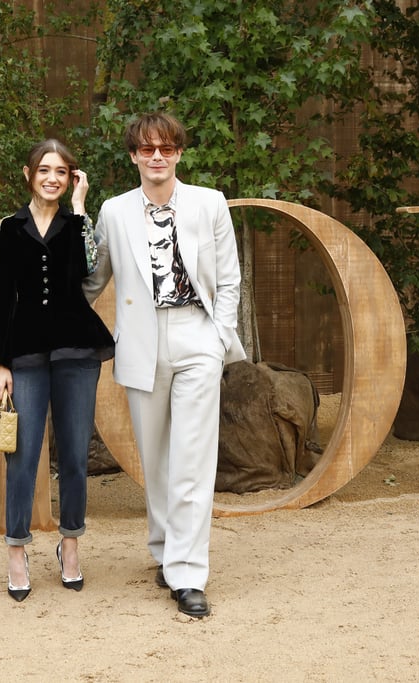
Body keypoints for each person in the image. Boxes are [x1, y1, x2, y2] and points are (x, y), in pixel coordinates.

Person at [83, 112, 245, 617]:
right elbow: (92, 282)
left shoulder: (209, 203)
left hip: (197, 334)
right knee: (154, 459)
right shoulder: (112, 211)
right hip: (140, 339)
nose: (158, 157)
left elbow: (229, 278)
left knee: (193, 459)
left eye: (167, 148)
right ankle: (164, 549)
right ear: (133, 155)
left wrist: (218, 339)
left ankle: (188, 573)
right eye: (148, 149)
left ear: (179, 153)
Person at [0, 139, 114, 602]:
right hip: (24, 354)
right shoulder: (10, 227)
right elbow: (4, 297)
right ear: (29, 174)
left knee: (76, 456)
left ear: (71, 178)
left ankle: (71, 545)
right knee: (21, 456)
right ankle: (17, 551)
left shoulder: (74, 223)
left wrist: (80, 209)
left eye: (62, 172)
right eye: (45, 170)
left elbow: (84, 268)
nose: (52, 178)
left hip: (76, 350)